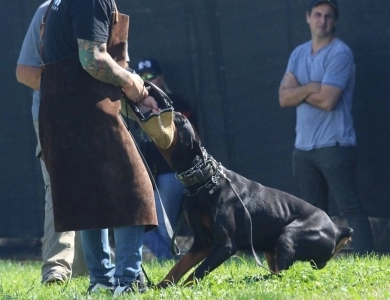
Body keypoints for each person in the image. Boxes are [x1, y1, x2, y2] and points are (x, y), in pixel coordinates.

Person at [38, 0, 159, 296]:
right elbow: (92, 59)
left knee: (89, 193)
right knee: (133, 188)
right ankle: (128, 280)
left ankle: (102, 280)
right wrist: (132, 81)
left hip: (61, 112)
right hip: (86, 108)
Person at [278, 0, 373, 255]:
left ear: (335, 20)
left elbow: (329, 101)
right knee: (310, 212)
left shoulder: (340, 53)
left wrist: (299, 88)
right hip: (303, 147)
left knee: (350, 208)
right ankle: (316, 262)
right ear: (308, 18)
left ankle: (366, 259)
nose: (322, 20)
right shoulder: (298, 54)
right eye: (317, 15)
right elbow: (283, 98)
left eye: (328, 16)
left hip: (335, 145)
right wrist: (311, 87)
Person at [15, 0, 88, 284]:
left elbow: (117, 63)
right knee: (59, 186)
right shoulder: (47, 11)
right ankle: (56, 269)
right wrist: (71, 89)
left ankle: (90, 269)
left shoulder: (107, 9)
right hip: (52, 116)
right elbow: (24, 71)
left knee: (95, 187)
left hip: (98, 116)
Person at [132, 58, 197, 260]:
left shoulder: (175, 103)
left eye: (151, 76)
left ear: (161, 77)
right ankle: (171, 260)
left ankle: (171, 262)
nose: (146, 80)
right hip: (145, 174)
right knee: (139, 224)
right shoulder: (133, 107)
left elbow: (193, 138)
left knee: (163, 225)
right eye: (142, 77)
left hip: (171, 172)